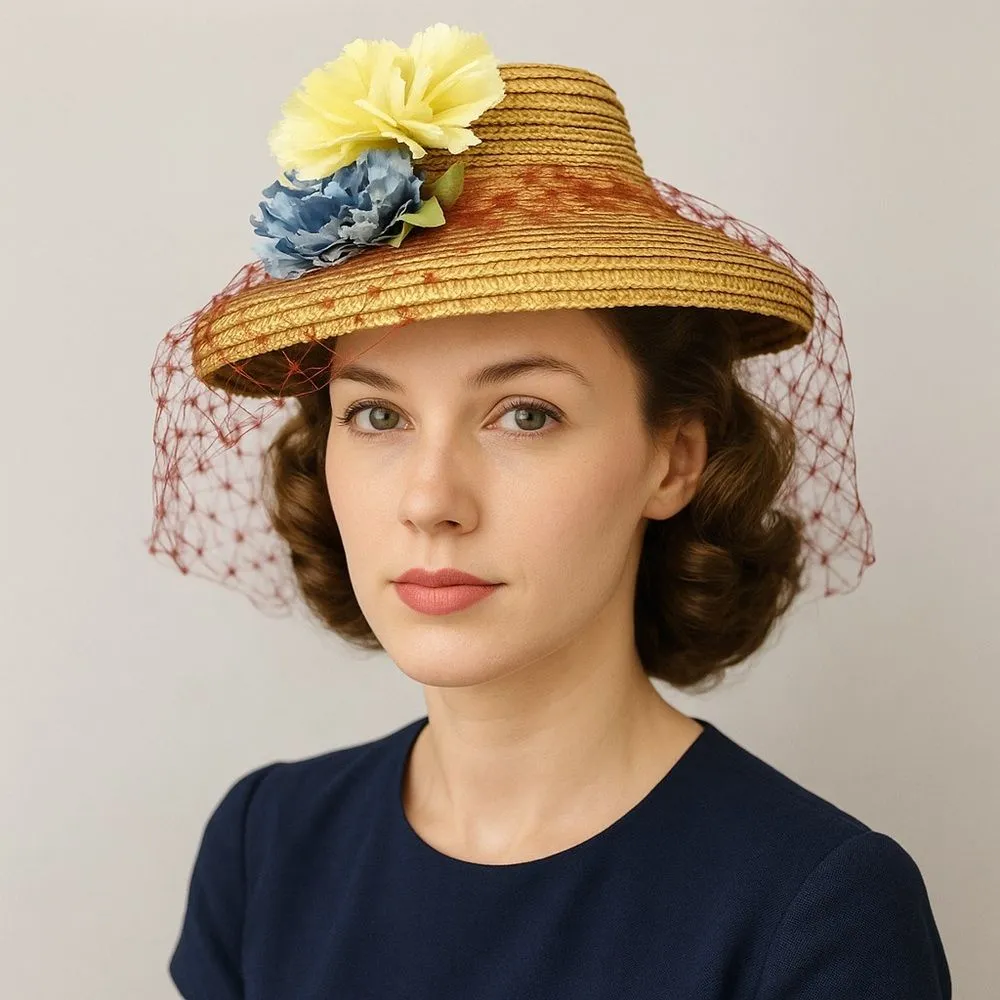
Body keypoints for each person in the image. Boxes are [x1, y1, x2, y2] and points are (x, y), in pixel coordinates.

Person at [152, 22, 951, 999]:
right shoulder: (265, 847)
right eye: (376, 414)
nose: (430, 499)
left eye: (523, 413)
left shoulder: (817, 906)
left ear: (674, 457)